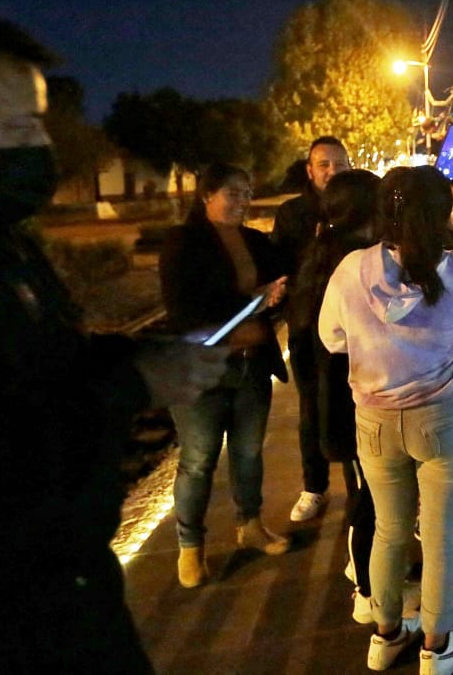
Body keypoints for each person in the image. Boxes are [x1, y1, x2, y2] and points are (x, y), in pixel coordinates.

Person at [0, 0, 228, 671]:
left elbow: (48, 361)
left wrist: (141, 357)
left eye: (40, 123)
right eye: (15, 126)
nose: (41, 148)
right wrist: (131, 382)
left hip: (72, 592)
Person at [318, 159, 453, 675]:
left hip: (373, 421)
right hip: (446, 419)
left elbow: (332, 338)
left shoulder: (352, 269)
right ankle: (437, 649)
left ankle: (386, 635)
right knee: (441, 537)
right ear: (439, 213)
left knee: (390, 530)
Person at [161, 163, 292, 587]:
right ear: (207, 195)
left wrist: (275, 296)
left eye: (247, 192)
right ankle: (189, 548)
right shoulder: (183, 243)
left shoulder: (255, 241)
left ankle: (250, 525)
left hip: (252, 364)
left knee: (248, 453)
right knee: (197, 462)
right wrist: (253, 302)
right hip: (203, 371)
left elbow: (287, 274)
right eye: (233, 193)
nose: (243, 200)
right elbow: (184, 310)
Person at [287, 168, 382, 620]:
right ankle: (368, 592)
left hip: (341, 401)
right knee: (368, 501)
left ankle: (363, 574)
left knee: (366, 495)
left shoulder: (323, 254)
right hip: (357, 403)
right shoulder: (355, 263)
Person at [272, 135, 352, 523]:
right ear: (310, 170)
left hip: (357, 328)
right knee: (311, 407)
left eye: (340, 163)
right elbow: (281, 265)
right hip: (307, 326)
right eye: (324, 164)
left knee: (360, 405)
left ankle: (363, 482)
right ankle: (314, 486)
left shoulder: (364, 205)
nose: (332, 171)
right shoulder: (293, 214)